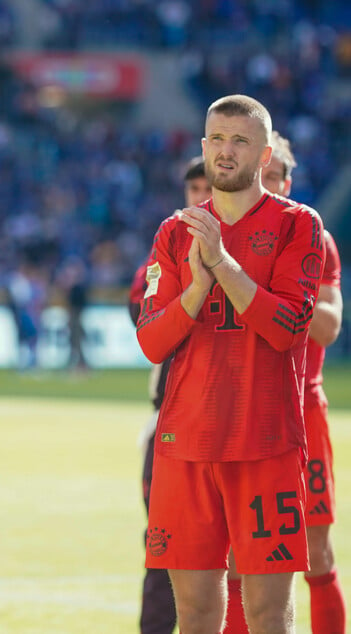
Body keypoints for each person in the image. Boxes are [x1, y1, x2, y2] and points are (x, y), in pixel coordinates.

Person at [136, 95, 324, 634]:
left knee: (266, 615)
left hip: (264, 445)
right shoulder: (174, 232)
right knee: (194, 615)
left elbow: (288, 328)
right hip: (186, 448)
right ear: (203, 146)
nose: (225, 151)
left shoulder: (298, 225)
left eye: (240, 140)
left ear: (265, 155)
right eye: (216, 139)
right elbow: (152, 343)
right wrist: (197, 287)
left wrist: (221, 261)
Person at [222, 131, 345, 634]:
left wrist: (267, 285)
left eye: (270, 180)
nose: (262, 190)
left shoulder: (313, 237)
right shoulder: (218, 235)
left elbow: (329, 326)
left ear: (285, 181)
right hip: (236, 413)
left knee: (314, 552)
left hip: (301, 411)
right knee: (232, 555)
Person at [128, 156, 211, 634]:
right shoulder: (164, 251)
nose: (200, 197)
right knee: (161, 546)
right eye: (193, 188)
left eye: (208, 187)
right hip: (171, 423)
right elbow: (142, 307)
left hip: (228, 422)